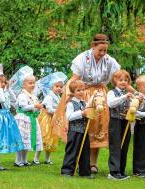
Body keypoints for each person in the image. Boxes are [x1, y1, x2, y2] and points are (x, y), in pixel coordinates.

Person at [53, 34, 133, 174]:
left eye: (105, 51)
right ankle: (77, 162)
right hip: (84, 92)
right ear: (93, 46)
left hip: (101, 95)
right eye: (100, 50)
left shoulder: (109, 61)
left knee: (98, 129)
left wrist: (134, 92)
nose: (102, 53)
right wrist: (68, 94)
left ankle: (92, 163)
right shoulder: (82, 59)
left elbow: (121, 79)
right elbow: (75, 79)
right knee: (83, 129)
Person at [10, 66, 43, 167]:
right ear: (23, 85)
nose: (32, 85)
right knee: (22, 140)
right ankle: (17, 160)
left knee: (28, 140)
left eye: (33, 83)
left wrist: (38, 108)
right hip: (23, 119)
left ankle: (24, 160)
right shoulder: (22, 95)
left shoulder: (33, 95)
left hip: (31, 119)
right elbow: (23, 107)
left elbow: (34, 107)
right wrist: (34, 106)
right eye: (30, 83)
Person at [61, 80, 94, 179]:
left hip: (84, 131)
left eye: (83, 90)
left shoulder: (84, 103)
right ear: (73, 92)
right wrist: (81, 113)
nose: (81, 92)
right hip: (74, 131)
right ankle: (67, 171)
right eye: (78, 90)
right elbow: (69, 117)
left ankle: (85, 172)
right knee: (72, 151)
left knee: (85, 151)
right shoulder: (71, 104)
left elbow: (89, 111)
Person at [107, 70, 133, 180]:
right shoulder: (111, 93)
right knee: (115, 145)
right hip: (115, 121)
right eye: (120, 80)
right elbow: (111, 103)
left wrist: (138, 101)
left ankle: (121, 170)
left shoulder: (129, 94)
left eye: (126, 80)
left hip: (125, 121)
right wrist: (124, 97)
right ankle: (113, 172)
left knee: (124, 145)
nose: (123, 82)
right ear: (115, 81)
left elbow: (134, 107)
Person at [37, 72, 67, 164]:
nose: (59, 88)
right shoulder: (49, 97)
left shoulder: (58, 97)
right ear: (51, 87)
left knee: (52, 139)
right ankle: (36, 158)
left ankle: (47, 158)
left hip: (53, 119)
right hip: (46, 119)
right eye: (56, 86)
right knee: (44, 138)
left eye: (61, 87)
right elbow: (49, 109)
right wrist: (59, 111)